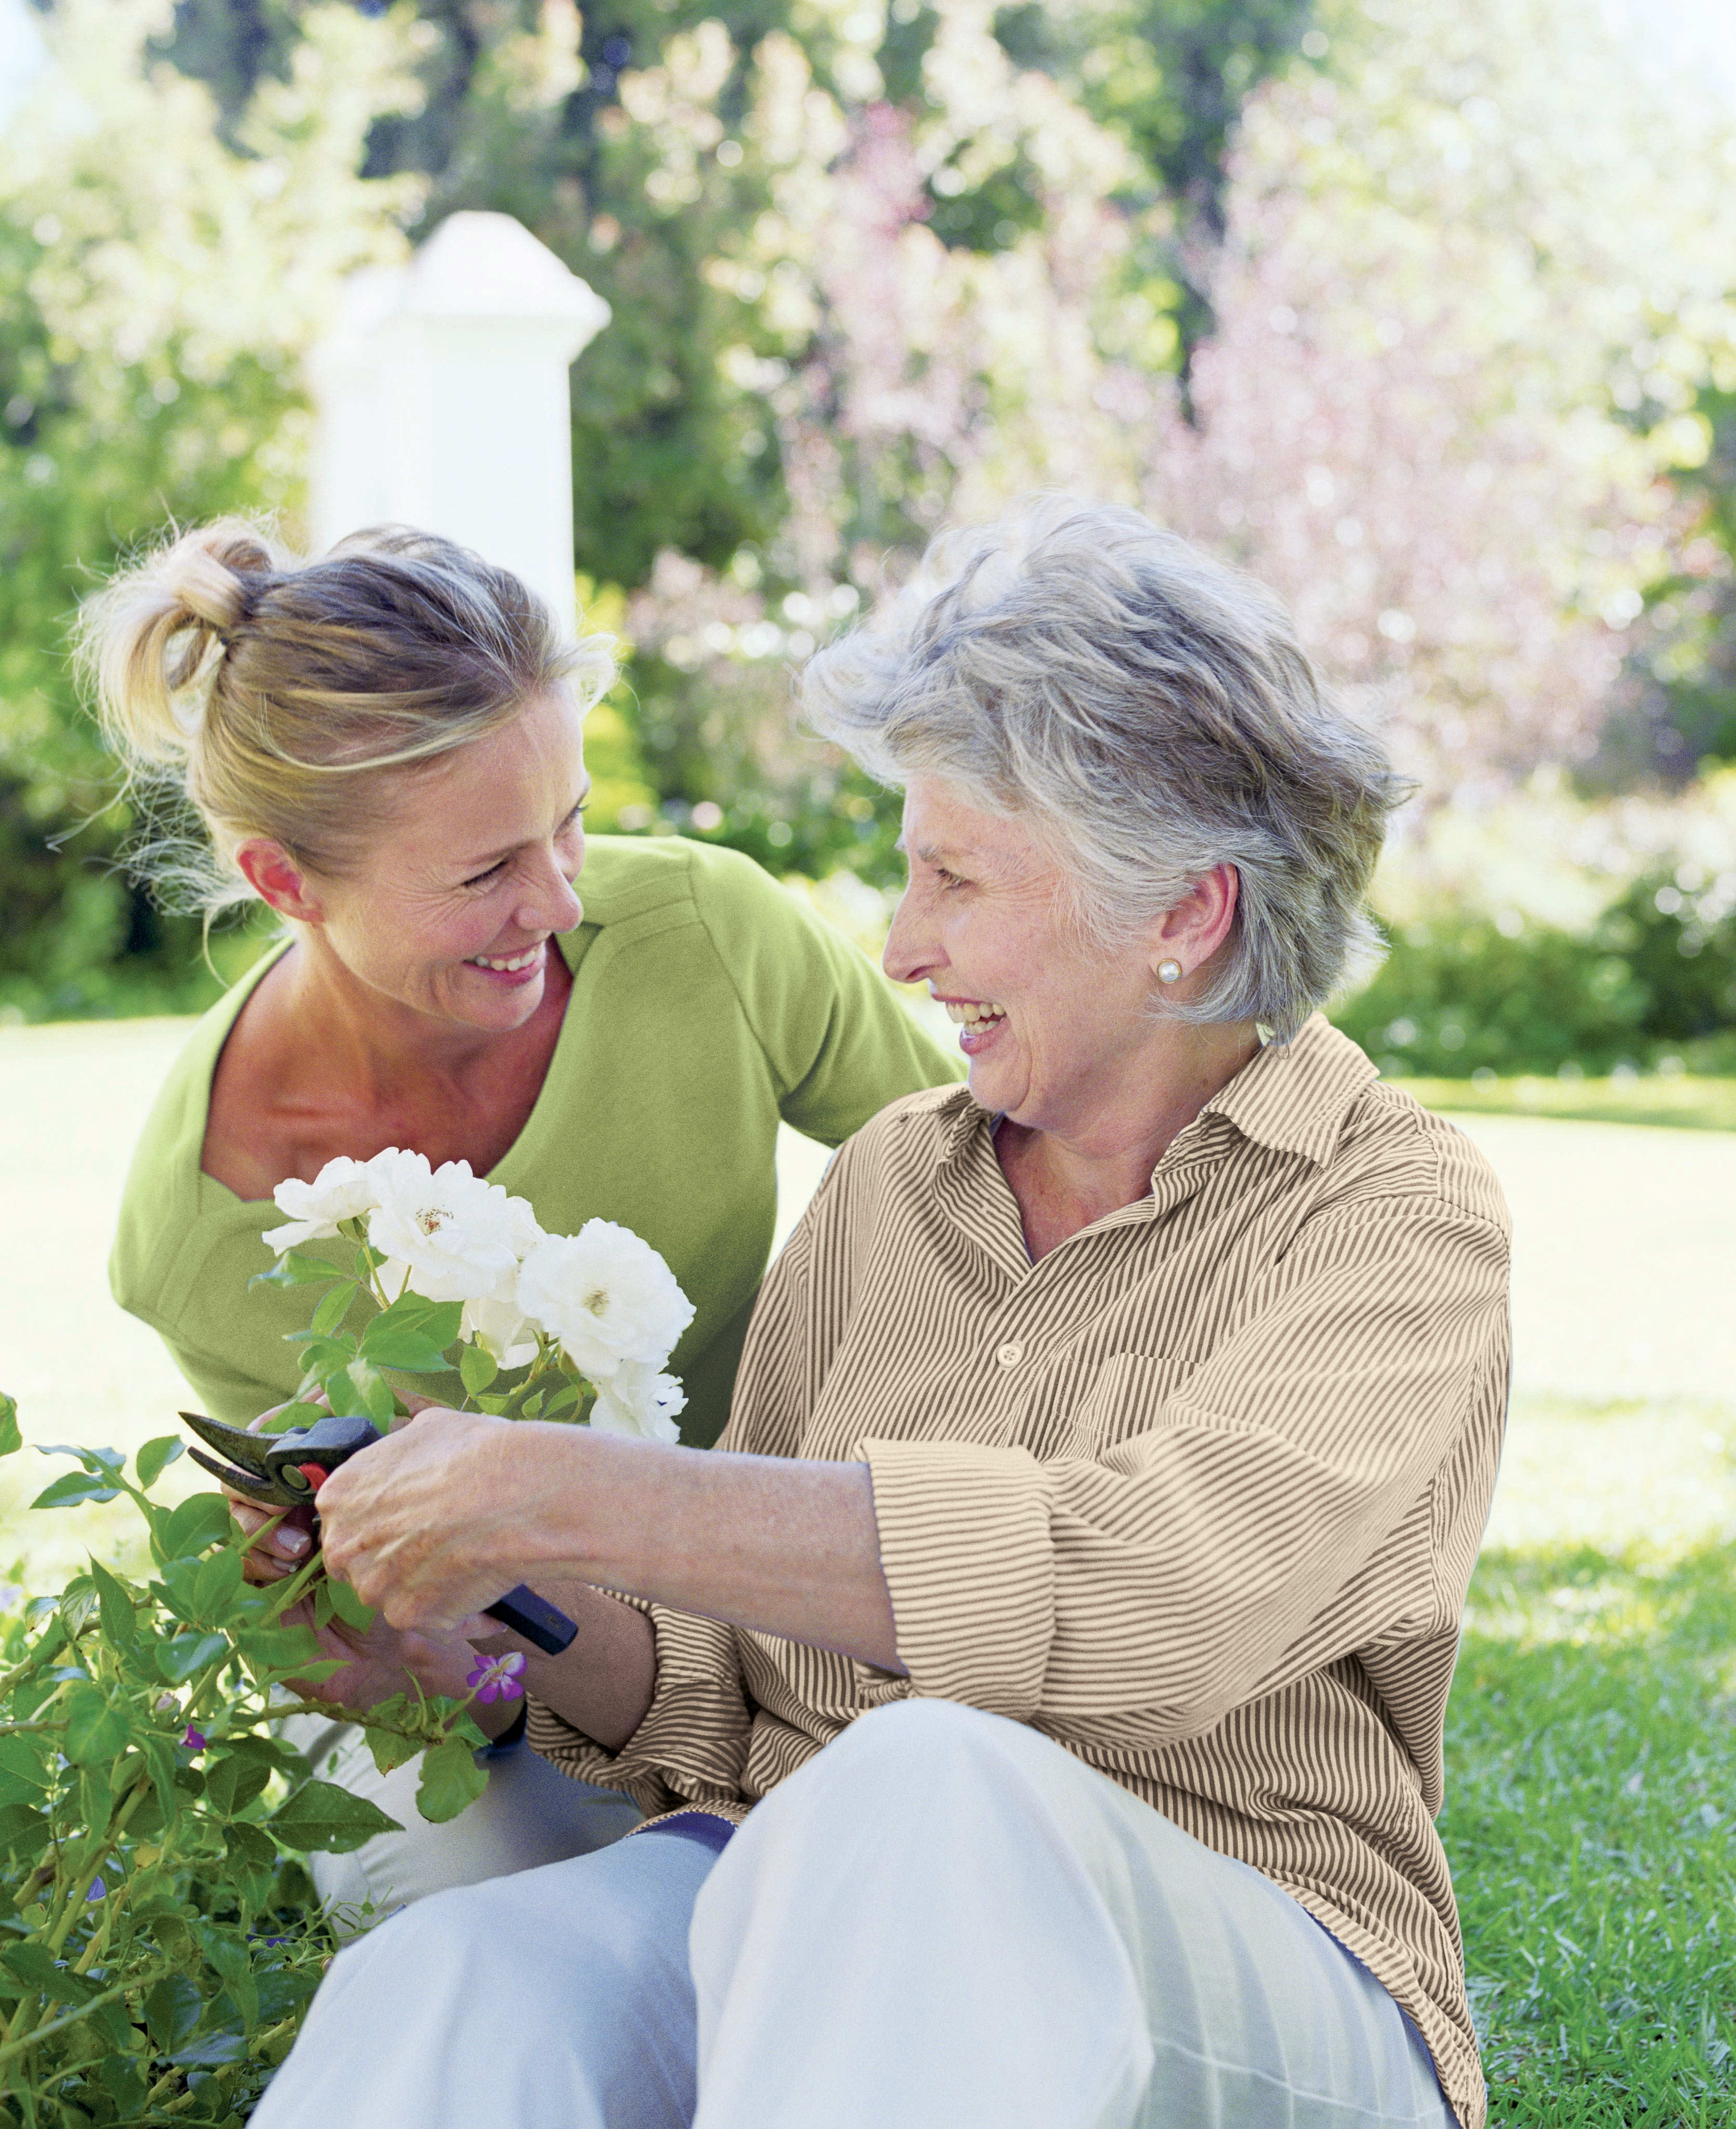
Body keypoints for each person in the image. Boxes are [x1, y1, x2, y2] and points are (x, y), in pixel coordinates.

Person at [252, 497, 1509, 2129]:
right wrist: (486, 1623)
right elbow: (724, 1687)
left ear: (1180, 916)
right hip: (806, 1904)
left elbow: (1153, 1606)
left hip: (1258, 1954)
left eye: (956, 879)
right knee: (459, 1979)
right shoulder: (889, 1185)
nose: (904, 947)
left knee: (929, 1783)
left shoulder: (1387, 1212)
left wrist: (568, 1485)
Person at [77, 517, 958, 1915]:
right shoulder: (207, 1231)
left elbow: (1009, 1197)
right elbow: (424, 1662)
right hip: (539, 1676)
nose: (555, 903)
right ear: (285, 883)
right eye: (484, 871)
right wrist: (395, 1668)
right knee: (484, 1922)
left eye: (569, 823)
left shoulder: (702, 933)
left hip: (807, 1583)